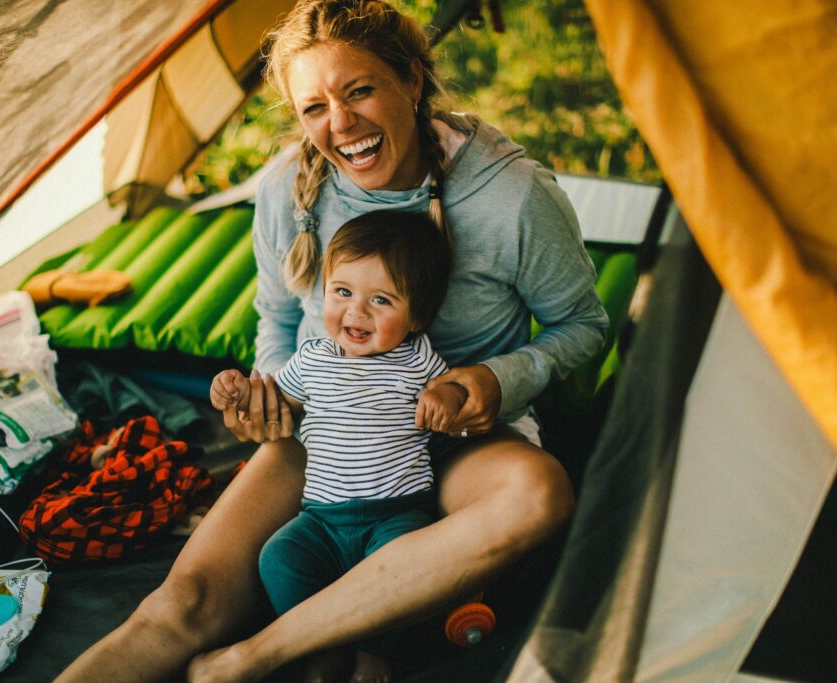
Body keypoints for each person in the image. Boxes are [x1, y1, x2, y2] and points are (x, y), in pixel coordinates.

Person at [56, 1, 607, 681]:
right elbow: (278, 318)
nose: (340, 125)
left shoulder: (510, 197)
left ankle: (256, 656)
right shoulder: (289, 189)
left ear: (410, 80)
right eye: (313, 106)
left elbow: (584, 326)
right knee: (184, 601)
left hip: (462, 442)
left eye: (359, 91)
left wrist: (497, 379)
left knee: (538, 495)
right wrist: (271, 393)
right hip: (333, 435)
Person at [209, 211, 464, 681]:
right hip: (322, 518)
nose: (356, 312)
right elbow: (276, 398)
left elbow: (452, 389)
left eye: (381, 300)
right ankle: (320, 647)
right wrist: (237, 392)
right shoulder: (312, 358)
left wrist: (448, 397)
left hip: (396, 512)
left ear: (416, 317)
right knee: (279, 557)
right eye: (342, 292)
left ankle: (375, 651)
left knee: (403, 570)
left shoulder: (416, 357)